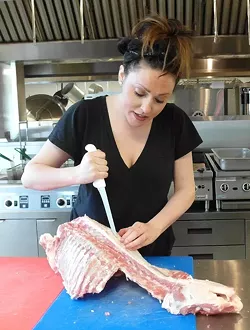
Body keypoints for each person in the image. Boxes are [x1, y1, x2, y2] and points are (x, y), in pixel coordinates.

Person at [21, 15, 203, 257]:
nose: (147, 108)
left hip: (151, 253)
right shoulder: (84, 115)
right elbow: (31, 176)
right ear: (121, 75)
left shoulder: (174, 121)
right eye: (139, 92)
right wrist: (77, 174)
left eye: (160, 99)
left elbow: (186, 190)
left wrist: (154, 227)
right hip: (89, 255)